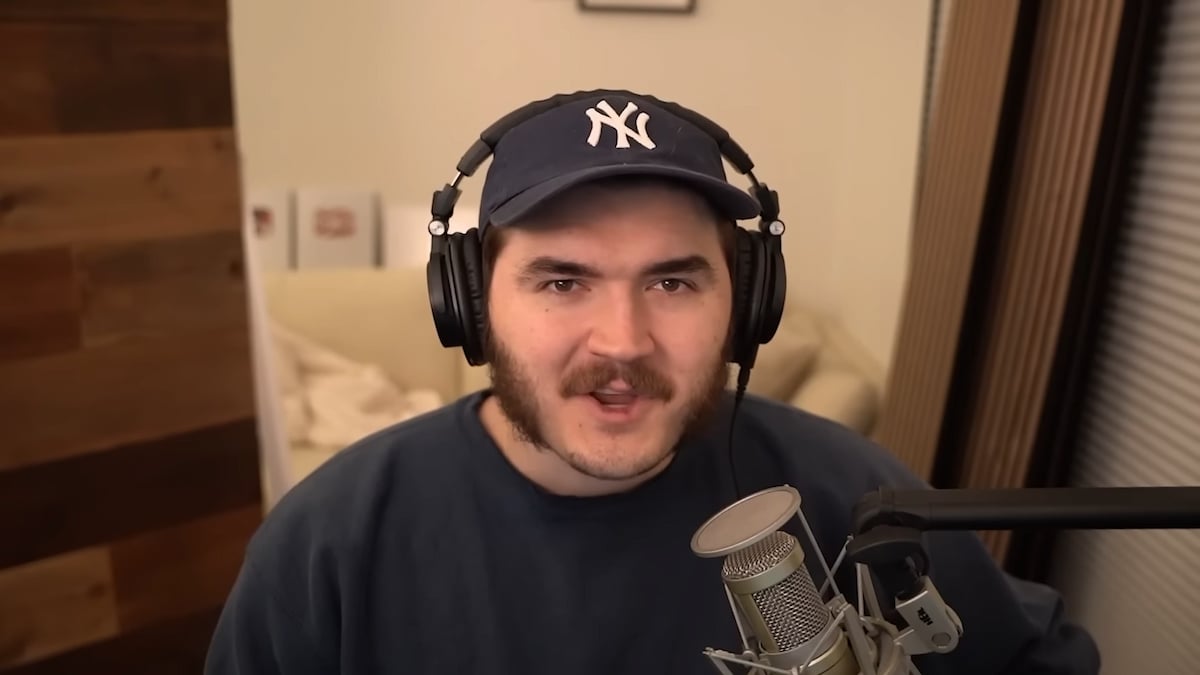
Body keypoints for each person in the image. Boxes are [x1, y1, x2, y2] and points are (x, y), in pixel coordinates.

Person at [205, 89, 1100, 675]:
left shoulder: (845, 495)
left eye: (673, 281)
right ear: (471, 304)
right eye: (562, 281)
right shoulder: (328, 545)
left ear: (744, 302)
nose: (623, 341)